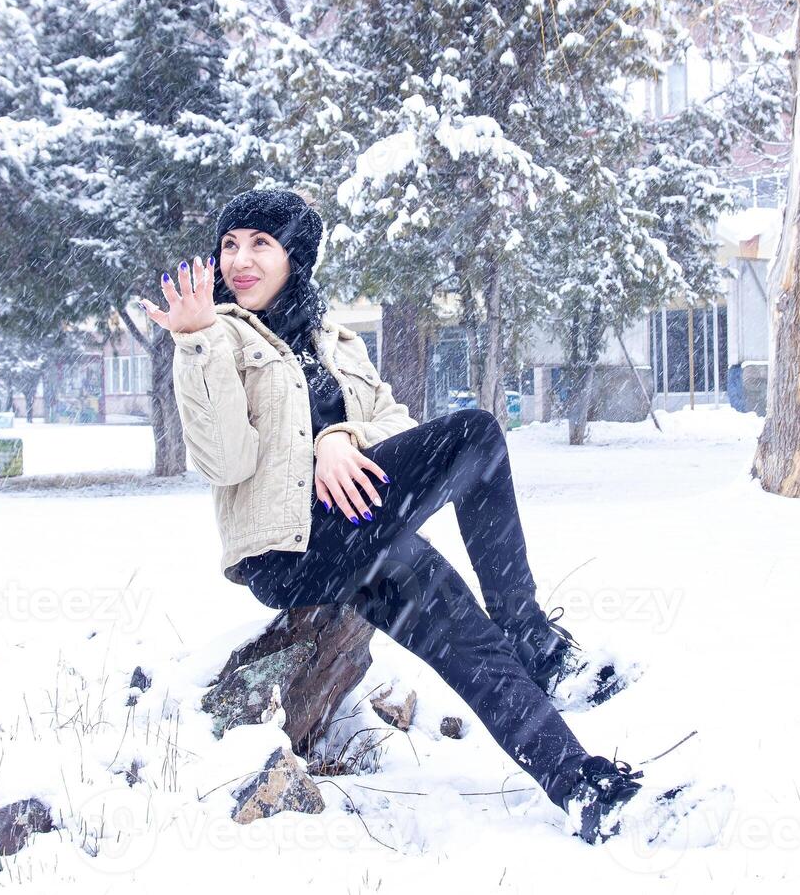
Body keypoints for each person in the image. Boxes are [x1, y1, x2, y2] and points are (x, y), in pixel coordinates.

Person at [138, 188, 646, 844]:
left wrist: (339, 438)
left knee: (473, 647)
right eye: (230, 244)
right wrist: (196, 340)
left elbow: (392, 420)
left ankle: (585, 789)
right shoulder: (220, 336)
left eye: (260, 243)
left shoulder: (336, 342)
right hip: (287, 550)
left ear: (295, 256)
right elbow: (225, 461)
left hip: (358, 533)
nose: (241, 259)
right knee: (476, 435)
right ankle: (532, 635)